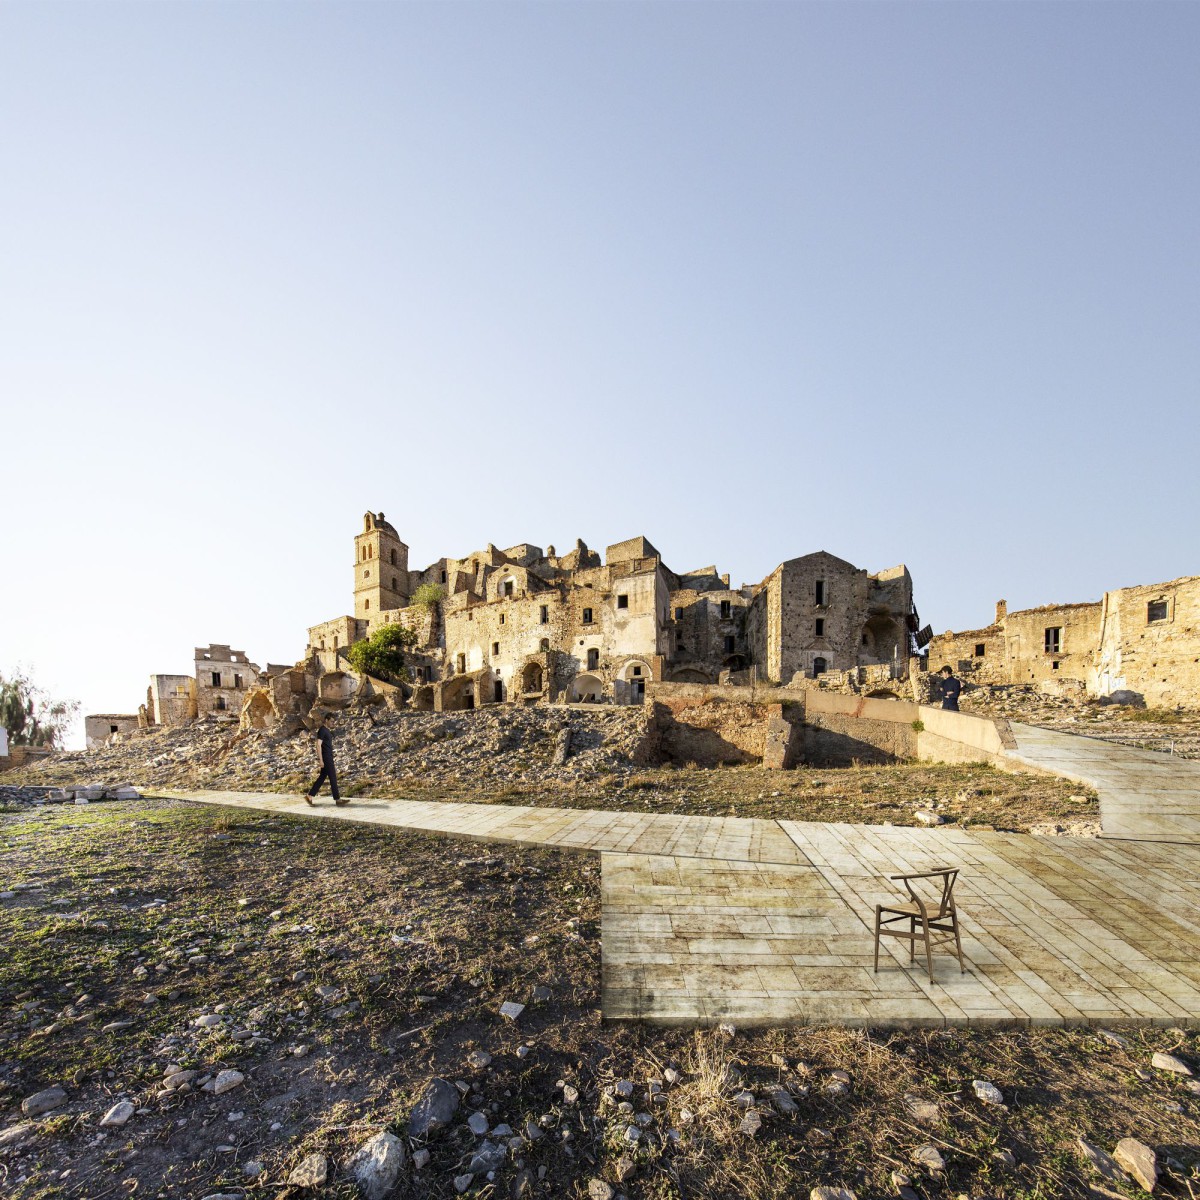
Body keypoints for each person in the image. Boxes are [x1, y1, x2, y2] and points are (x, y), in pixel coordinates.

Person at [306, 712, 346, 805]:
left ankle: (310, 796)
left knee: (322, 777)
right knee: (333, 777)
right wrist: (321, 760)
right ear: (326, 720)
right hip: (326, 757)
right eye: (331, 721)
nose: (333, 723)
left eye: (333, 721)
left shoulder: (327, 730)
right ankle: (337, 800)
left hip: (328, 757)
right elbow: (318, 745)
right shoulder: (322, 730)